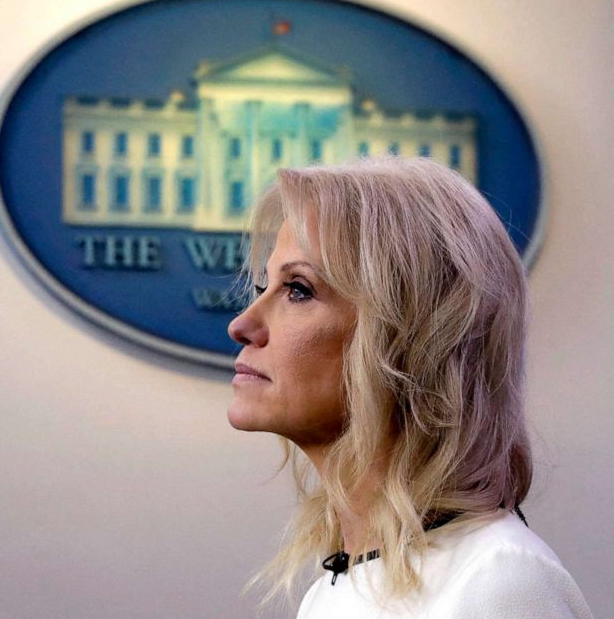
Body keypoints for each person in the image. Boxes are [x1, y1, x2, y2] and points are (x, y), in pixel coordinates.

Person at [227, 157, 594, 617]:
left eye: (298, 289)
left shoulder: (498, 580)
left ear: (409, 337)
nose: (242, 325)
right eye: (263, 286)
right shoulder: (333, 593)